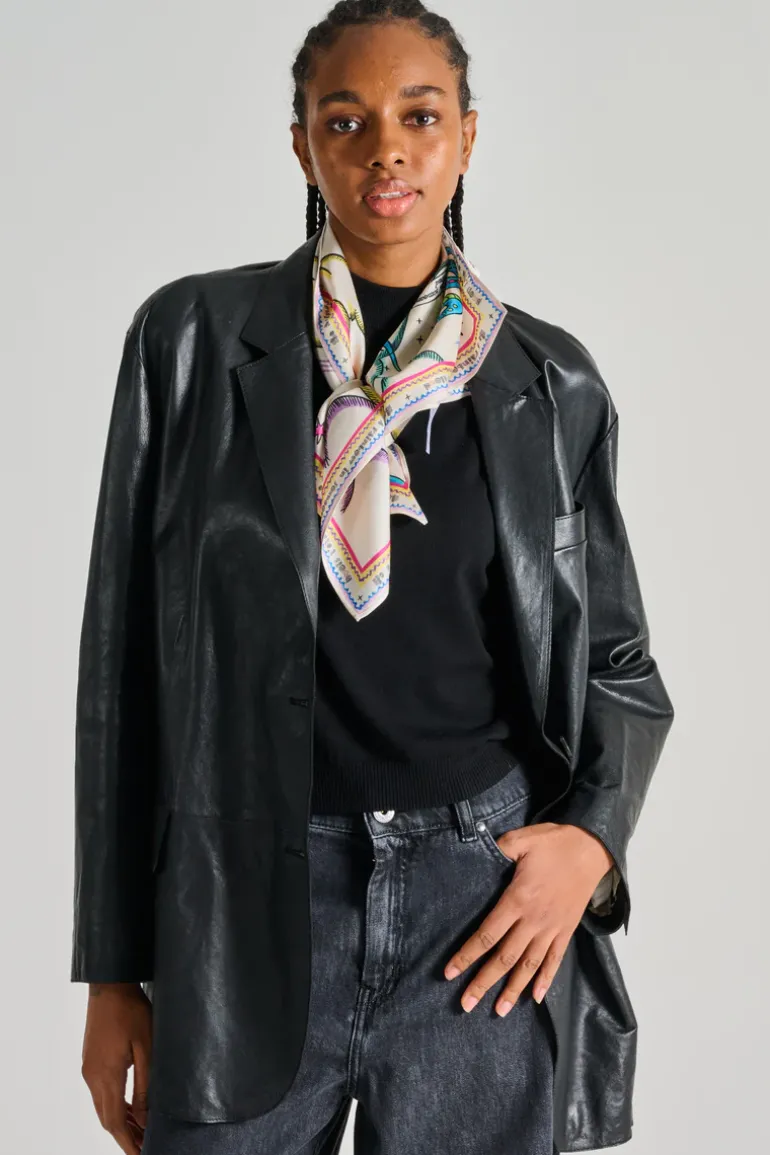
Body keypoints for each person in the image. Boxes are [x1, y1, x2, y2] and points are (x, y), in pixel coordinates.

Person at [71, 2, 675, 1153]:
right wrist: (113, 972)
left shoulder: (550, 384)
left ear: (466, 137)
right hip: (247, 904)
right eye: (344, 120)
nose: (384, 149)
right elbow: (122, 668)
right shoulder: (190, 341)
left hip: (479, 911)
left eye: (418, 116)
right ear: (301, 145)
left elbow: (614, 660)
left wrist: (589, 842)